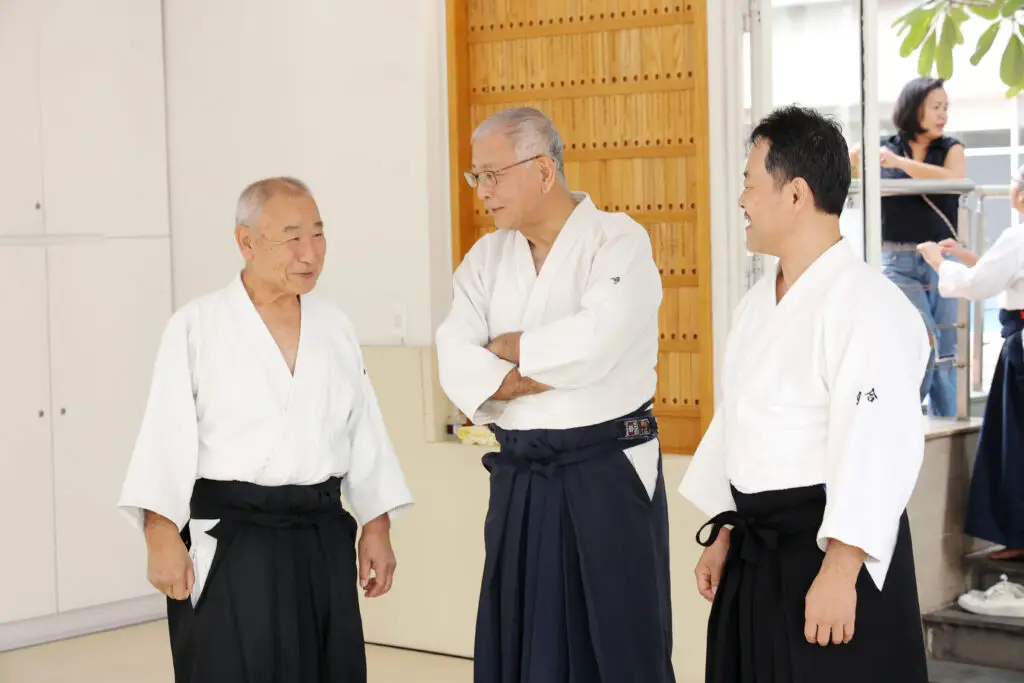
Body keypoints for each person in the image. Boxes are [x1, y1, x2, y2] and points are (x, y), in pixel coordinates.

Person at [118, 177, 414, 683]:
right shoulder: (197, 325)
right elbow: (163, 434)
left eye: (318, 235)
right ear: (246, 242)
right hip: (233, 537)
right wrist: (160, 531)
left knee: (329, 667)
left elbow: (363, 430)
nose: (309, 254)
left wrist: (377, 523)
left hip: (319, 531)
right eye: (291, 238)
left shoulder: (334, 325)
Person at [679, 106, 931, 683]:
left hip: (827, 549)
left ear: (795, 194)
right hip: (757, 548)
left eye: (749, 183)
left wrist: (842, 571)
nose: (741, 199)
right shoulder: (754, 305)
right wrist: (725, 532)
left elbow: (877, 448)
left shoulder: (869, 305)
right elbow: (739, 426)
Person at [435, 107, 674, 683]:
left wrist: (511, 348)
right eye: (476, 177)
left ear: (543, 170)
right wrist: (540, 364)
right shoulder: (486, 259)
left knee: (617, 643)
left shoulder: (618, 240)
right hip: (521, 474)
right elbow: (454, 358)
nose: (482, 191)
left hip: (606, 473)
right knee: (519, 643)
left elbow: (599, 343)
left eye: (492, 175)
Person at [918, 167, 1024, 562]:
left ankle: (1018, 534)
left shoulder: (1017, 236)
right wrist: (968, 258)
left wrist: (937, 261)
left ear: (1020, 196)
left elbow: (974, 286)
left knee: (1015, 443)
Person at [874, 77, 966, 417]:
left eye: (946, 108)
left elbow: (954, 179)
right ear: (915, 109)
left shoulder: (951, 148)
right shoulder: (885, 146)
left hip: (943, 259)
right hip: (897, 258)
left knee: (945, 346)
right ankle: (905, 417)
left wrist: (900, 165)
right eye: (936, 107)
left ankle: (946, 423)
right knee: (921, 340)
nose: (943, 115)